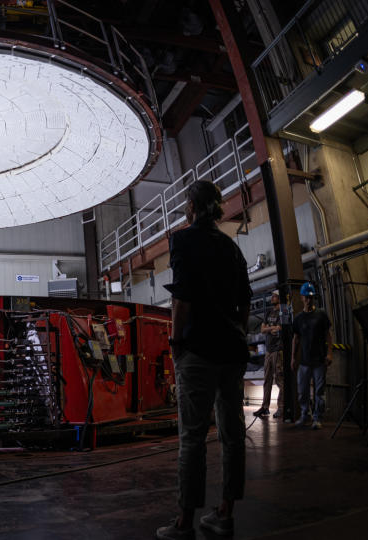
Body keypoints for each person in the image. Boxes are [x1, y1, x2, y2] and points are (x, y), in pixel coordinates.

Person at [157, 181, 251, 540]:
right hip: (232, 350)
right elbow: (245, 303)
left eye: (185, 204)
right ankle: (225, 514)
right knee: (233, 435)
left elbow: (182, 298)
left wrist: (177, 343)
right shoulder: (232, 248)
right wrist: (237, 335)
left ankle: (184, 523)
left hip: (198, 351)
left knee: (192, 437)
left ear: (192, 206)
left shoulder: (182, 240)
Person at [291, 282, 332, 429]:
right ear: (301, 298)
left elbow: (328, 336)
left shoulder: (321, 315)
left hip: (319, 361)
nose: (309, 300)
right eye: (306, 297)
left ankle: (317, 418)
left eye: (311, 297)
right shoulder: (298, 318)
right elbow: (295, 339)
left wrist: (329, 353)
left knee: (319, 392)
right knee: (302, 391)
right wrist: (293, 358)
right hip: (304, 361)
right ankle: (304, 415)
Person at [254, 290, 284, 419]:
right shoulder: (269, 312)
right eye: (272, 296)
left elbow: (281, 328)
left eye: (275, 296)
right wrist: (272, 328)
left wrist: (272, 328)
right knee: (267, 379)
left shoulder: (283, 312)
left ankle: (282, 407)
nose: (272, 298)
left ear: (279, 298)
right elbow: (262, 329)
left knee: (279, 379)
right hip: (269, 350)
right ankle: (265, 407)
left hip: (278, 350)